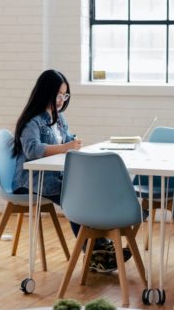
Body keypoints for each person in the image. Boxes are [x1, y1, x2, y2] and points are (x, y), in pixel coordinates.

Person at [11, 69, 128, 273]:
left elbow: (65, 142)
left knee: (87, 190)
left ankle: (100, 249)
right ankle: (95, 252)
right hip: (32, 181)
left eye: (65, 95)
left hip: (54, 177)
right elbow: (31, 150)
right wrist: (65, 147)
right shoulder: (33, 120)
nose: (61, 100)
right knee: (77, 196)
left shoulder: (60, 118)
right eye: (58, 95)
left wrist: (71, 144)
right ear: (45, 92)